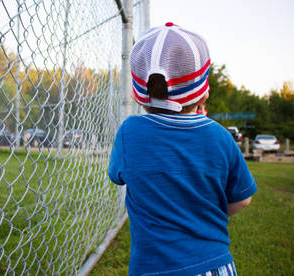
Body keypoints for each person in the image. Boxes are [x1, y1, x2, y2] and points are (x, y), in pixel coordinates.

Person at [108, 22, 257, 276]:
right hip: (215, 265)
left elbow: (117, 176)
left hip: (152, 268)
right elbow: (243, 199)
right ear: (204, 93)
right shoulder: (221, 137)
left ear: (137, 94)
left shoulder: (129, 133)